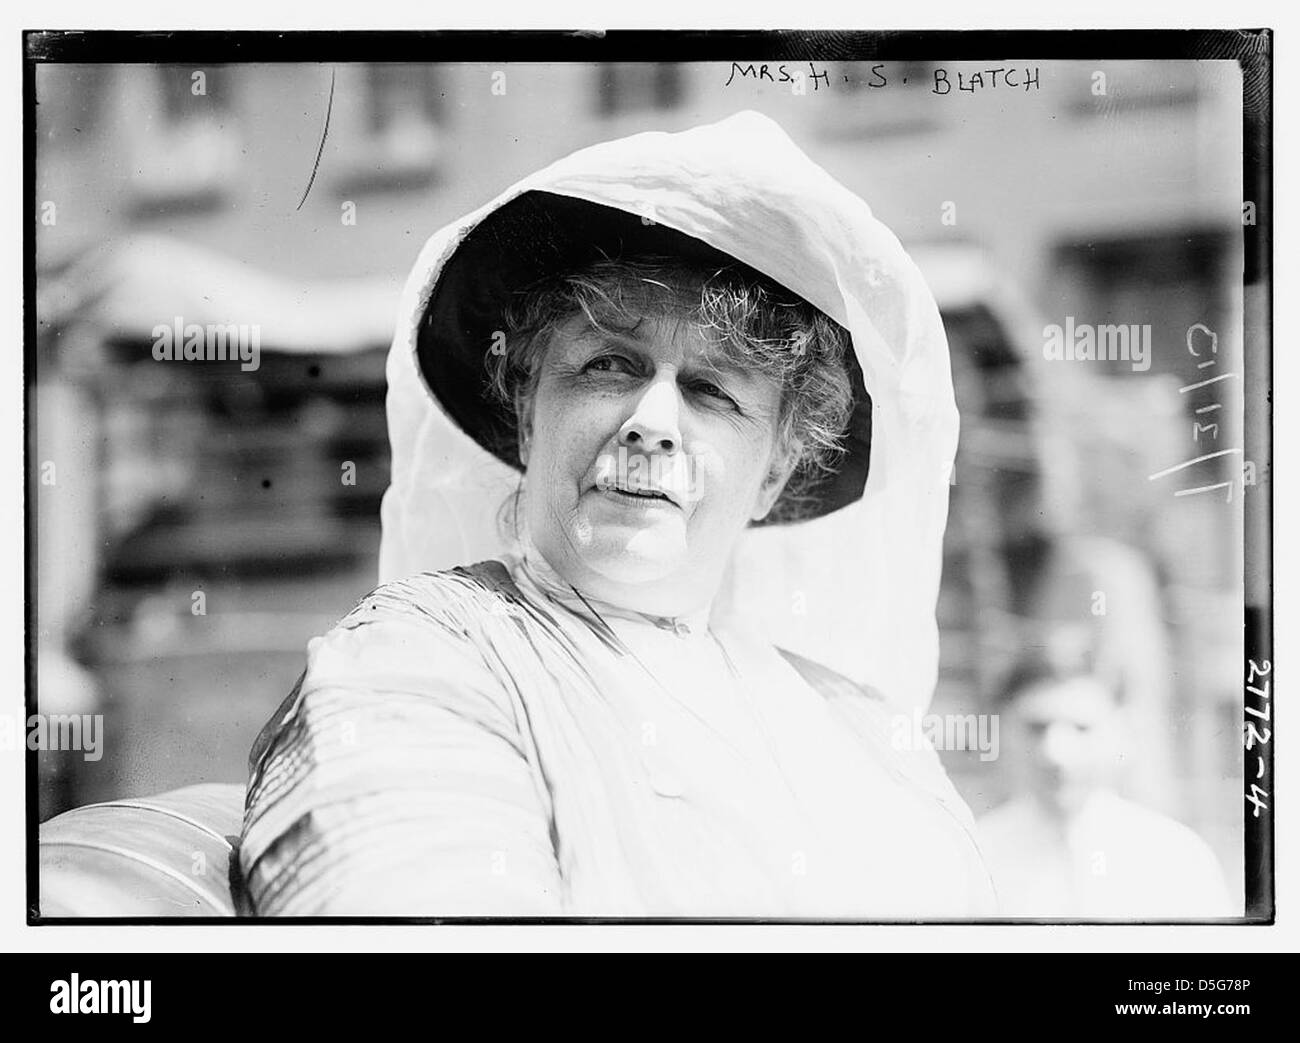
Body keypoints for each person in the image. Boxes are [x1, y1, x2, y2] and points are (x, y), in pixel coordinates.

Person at [237, 111, 994, 917]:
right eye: (608, 364)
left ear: (774, 469)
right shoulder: (420, 666)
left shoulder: (854, 730)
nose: (654, 421)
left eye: (712, 390)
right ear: (528, 409)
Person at [976, 650, 1236, 919]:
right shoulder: (978, 856)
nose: (1055, 752)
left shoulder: (1176, 856)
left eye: (1081, 728)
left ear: (1121, 731)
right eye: (1036, 728)